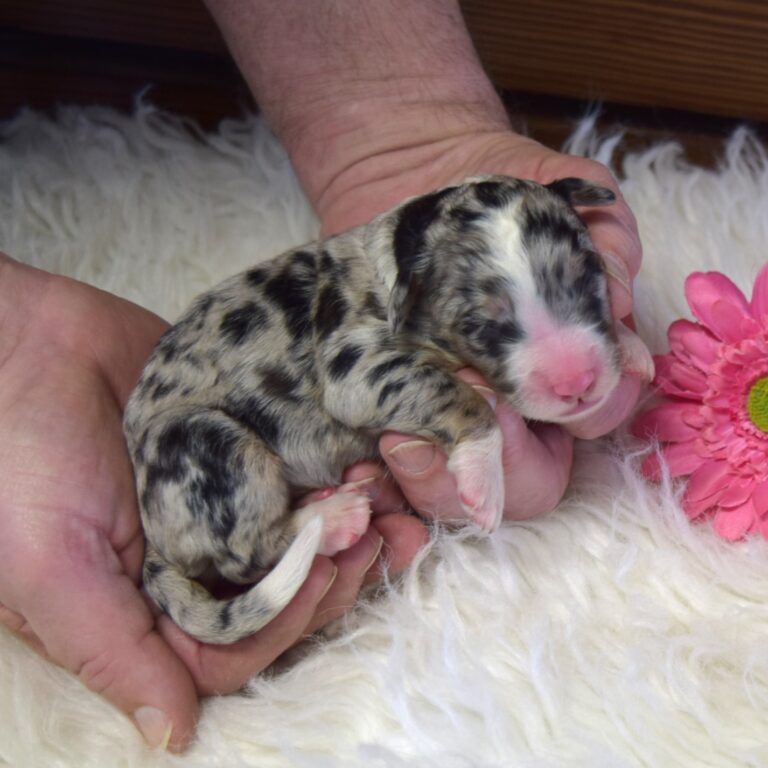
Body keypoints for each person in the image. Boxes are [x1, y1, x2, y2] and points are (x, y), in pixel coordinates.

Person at [0, 0, 644, 752]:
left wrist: (405, 133)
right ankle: (268, 542)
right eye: (488, 320)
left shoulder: (422, 271)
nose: (570, 367)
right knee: (232, 463)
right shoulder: (364, 305)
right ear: (413, 297)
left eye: (580, 280)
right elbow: (350, 384)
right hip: (209, 458)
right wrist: (11, 352)